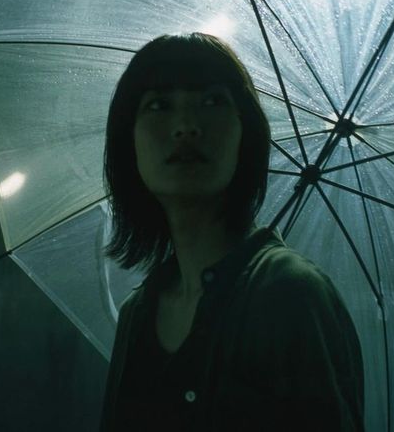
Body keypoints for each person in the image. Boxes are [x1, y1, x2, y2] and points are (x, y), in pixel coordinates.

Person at [99, 34, 364, 431]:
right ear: (127, 140)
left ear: (246, 133)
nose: (186, 126)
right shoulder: (138, 314)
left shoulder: (289, 295)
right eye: (159, 105)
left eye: (211, 101)